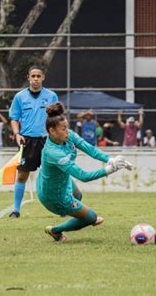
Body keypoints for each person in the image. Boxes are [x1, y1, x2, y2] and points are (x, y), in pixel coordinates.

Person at [37, 102, 132, 242]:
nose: (67, 131)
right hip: (53, 195)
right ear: (52, 131)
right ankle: (55, 230)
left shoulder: (68, 136)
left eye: (67, 127)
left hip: (58, 180)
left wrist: (110, 159)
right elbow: (83, 176)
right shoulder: (53, 152)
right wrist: (111, 169)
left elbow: (91, 150)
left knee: (78, 195)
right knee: (91, 218)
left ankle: (73, 212)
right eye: (63, 129)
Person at [8, 65, 58, 218]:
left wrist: (57, 137)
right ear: (28, 77)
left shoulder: (51, 96)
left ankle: (63, 207)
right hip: (27, 141)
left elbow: (56, 119)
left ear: (43, 78)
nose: (35, 79)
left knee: (55, 174)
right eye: (33, 76)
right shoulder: (20, 97)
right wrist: (17, 134)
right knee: (22, 175)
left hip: (47, 140)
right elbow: (14, 119)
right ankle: (16, 210)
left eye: (38, 76)